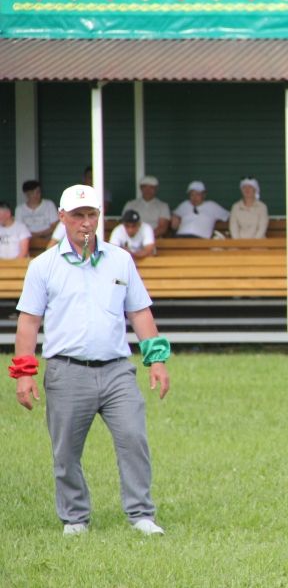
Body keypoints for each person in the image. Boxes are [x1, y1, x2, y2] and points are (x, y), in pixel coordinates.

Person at [11, 184, 171, 536]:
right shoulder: (42, 267)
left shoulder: (121, 259)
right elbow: (28, 323)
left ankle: (141, 515)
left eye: (92, 215)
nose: (86, 223)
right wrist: (24, 374)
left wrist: (156, 361)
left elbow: (140, 313)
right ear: (62, 217)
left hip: (117, 371)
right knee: (65, 450)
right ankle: (75, 518)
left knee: (134, 438)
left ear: (99, 217)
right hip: (67, 372)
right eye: (79, 215)